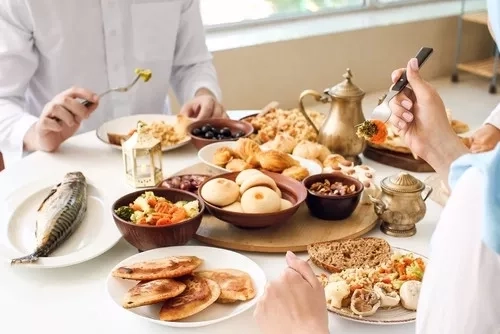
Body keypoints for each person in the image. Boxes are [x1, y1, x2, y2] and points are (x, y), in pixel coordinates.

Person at [254, 5, 500, 333]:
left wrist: (303, 329)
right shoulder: (483, 184)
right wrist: (442, 151)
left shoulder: (480, 201)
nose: (487, 17)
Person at [0, 0, 225, 158]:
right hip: (62, 164)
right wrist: (37, 135)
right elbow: (3, 98)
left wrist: (202, 94)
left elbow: (191, 63)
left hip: (158, 159)